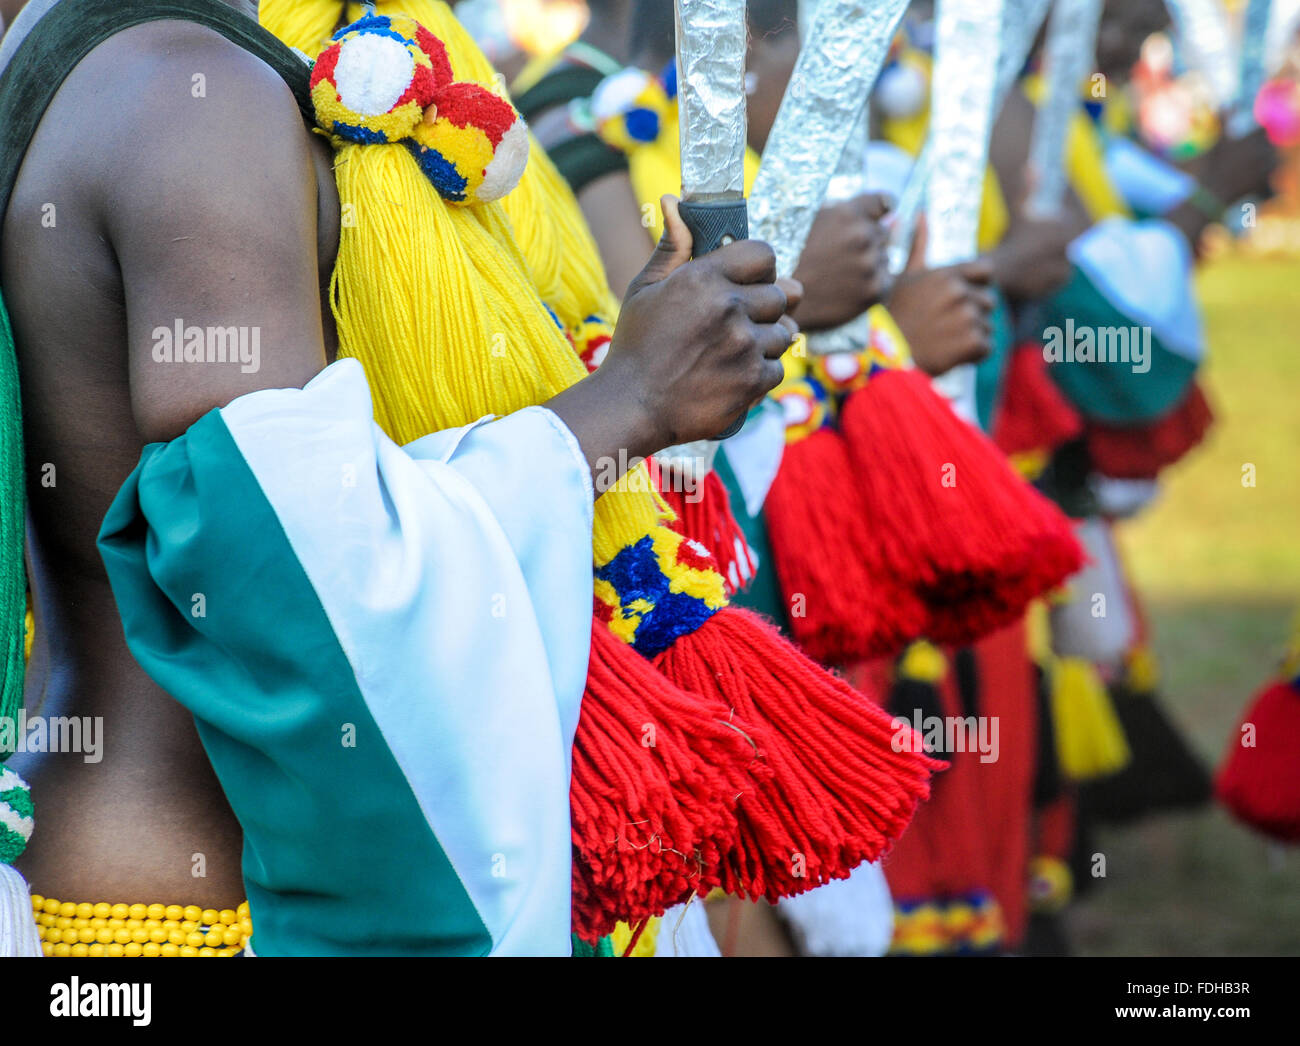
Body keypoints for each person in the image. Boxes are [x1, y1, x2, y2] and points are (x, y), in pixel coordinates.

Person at [0, 0, 806, 956]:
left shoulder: (122, 60)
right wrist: (627, 404)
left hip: (147, 866)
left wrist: (629, 376)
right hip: (220, 907)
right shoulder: (189, 92)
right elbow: (290, 573)